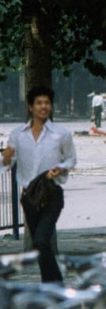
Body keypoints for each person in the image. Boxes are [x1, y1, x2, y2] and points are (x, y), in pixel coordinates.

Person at [1, 86, 76, 283]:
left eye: (47, 103)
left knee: (42, 240)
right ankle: (50, 286)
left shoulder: (62, 134)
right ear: (31, 107)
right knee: (39, 245)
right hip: (29, 197)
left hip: (51, 195)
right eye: (39, 103)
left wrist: (59, 168)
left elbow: (71, 160)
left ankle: (56, 285)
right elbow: (6, 163)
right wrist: (5, 157)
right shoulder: (18, 134)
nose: (44, 107)